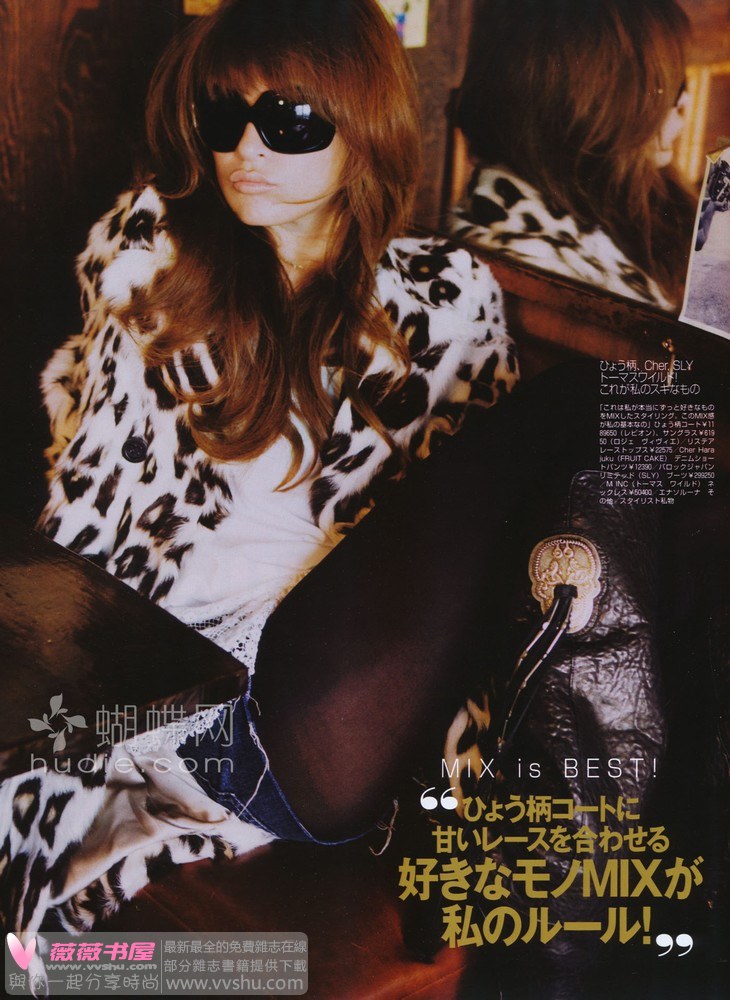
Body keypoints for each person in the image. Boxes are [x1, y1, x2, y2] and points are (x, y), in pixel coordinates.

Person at [1, 0, 518, 953]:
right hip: (185, 709)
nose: (246, 147)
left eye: (290, 120)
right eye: (223, 115)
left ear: (364, 128)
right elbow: (89, 535)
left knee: (574, 426)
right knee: (587, 414)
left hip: (345, 705)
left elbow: (449, 577)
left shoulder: (444, 304)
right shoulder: (162, 270)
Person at [448, 0, 696, 310]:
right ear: (591, 105)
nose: (685, 102)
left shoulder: (636, 197)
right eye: (664, 87)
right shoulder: (537, 274)